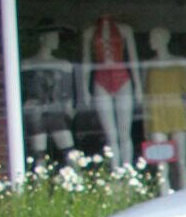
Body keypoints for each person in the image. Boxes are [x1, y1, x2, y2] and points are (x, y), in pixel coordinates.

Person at [143, 27, 186, 189]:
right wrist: (145, 121)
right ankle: (164, 195)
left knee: (181, 159)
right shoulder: (148, 64)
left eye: (153, 38)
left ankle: (185, 193)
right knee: (161, 160)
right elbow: (144, 95)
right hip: (157, 113)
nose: (150, 42)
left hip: (176, 110)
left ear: (163, 40)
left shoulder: (179, 62)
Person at [82, 15, 142, 165]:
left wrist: (138, 86)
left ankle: (127, 170)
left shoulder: (125, 29)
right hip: (101, 80)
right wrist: (84, 88)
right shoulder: (89, 32)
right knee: (110, 134)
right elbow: (86, 61)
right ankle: (115, 170)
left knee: (124, 132)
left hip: (122, 78)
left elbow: (133, 59)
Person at [20, 24, 75, 160]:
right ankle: (40, 179)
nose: (56, 40)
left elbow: (67, 91)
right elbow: (23, 89)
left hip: (55, 110)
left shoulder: (63, 64)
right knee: (39, 152)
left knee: (69, 151)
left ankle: (75, 178)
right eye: (53, 37)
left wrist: (69, 106)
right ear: (42, 38)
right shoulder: (26, 64)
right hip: (35, 110)